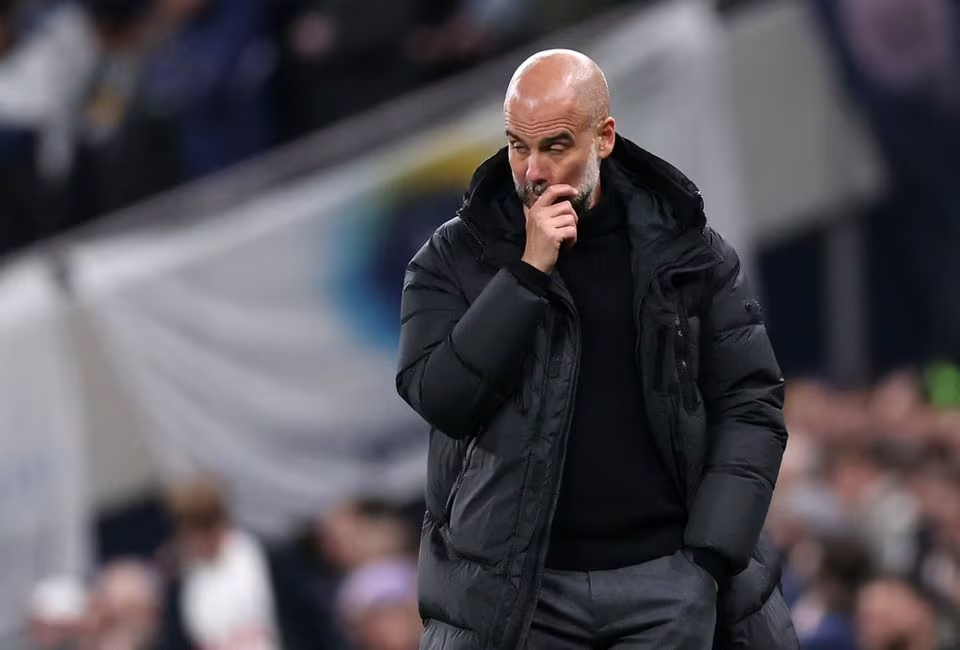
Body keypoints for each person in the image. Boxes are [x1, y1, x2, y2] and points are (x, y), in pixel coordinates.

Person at [396, 49, 796, 649]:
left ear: (603, 138)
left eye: (555, 147)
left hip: (668, 583)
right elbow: (441, 398)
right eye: (516, 146)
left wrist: (708, 562)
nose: (533, 170)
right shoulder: (453, 259)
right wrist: (526, 276)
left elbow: (751, 405)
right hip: (526, 598)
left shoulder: (689, 251)